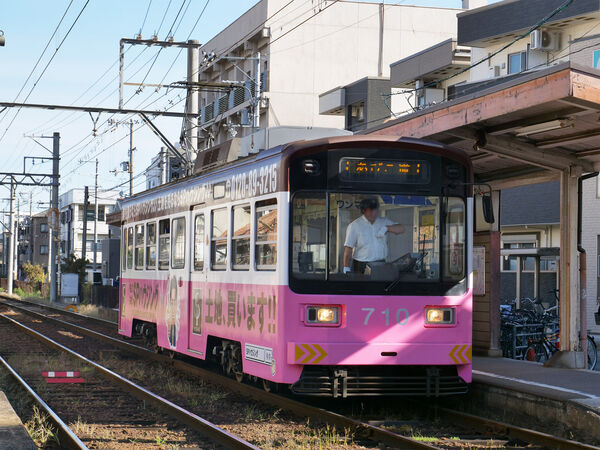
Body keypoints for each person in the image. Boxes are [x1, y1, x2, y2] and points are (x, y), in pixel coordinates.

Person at [343, 198, 405, 274]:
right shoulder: (355, 225)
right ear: (364, 211)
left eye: (375, 210)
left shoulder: (383, 221)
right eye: (370, 210)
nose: (373, 213)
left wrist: (387, 228)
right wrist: (346, 267)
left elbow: (401, 229)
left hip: (380, 264)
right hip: (361, 264)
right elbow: (348, 248)